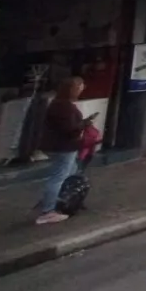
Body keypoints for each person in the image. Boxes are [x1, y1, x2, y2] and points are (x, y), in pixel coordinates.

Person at [35, 76, 92, 225]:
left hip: (60, 146)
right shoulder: (64, 106)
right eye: (79, 88)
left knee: (71, 173)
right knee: (59, 177)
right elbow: (69, 129)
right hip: (63, 147)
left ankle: (65, 201)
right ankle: (47, 211)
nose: (81, 91)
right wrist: (84, 125)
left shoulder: (60, 104)